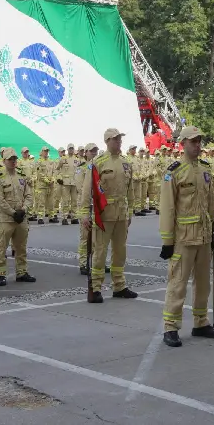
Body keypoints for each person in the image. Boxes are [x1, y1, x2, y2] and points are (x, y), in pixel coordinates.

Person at [158, 126, 214, 347]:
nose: (198, 145)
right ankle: (170, 327)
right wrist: (167, 241)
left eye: (199, 141)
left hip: (204, 235)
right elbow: (167, 208)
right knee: (178, 283)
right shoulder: (174, 172)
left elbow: (211, 202)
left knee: (204, 284)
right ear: (182, 144)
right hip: (184, 238)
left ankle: (201, 322)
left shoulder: (205, 169)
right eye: (193, 141)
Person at [79, 128, 139, 303]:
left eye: (120, 139)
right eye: (115, 139)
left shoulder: (126, 162)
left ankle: (119, 286)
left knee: (120, 251)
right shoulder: (98, 163)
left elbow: (130, 191)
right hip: (103, 214)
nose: (118, 142)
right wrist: (84, 214)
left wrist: (130, 212)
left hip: (121, 214)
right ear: (107, 141)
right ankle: (96, 287)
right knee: (100, 252)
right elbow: (86, 190)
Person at [0, 147, 36, 286]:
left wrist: (23, 210)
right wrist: (13, 213)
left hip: (21, 218)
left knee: (21, 247)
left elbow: (29, 195)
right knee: (1, 248)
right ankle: (0, 274)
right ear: (4, 160)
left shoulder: (22, 176)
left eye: (14, 159)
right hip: (6, 219)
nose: (13, 161)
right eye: (10, 159)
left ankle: (21, 272)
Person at [76, 143, 98, 274]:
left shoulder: (99, 166)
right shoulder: (81, 168)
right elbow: (80, 187)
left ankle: (97, 261)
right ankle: (83, 263)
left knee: (98, 237)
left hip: (97, 206)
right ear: (86, 153)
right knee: (85, 237)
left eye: (95, 151)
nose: (94, 153)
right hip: (85, 205)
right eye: (91, 151)